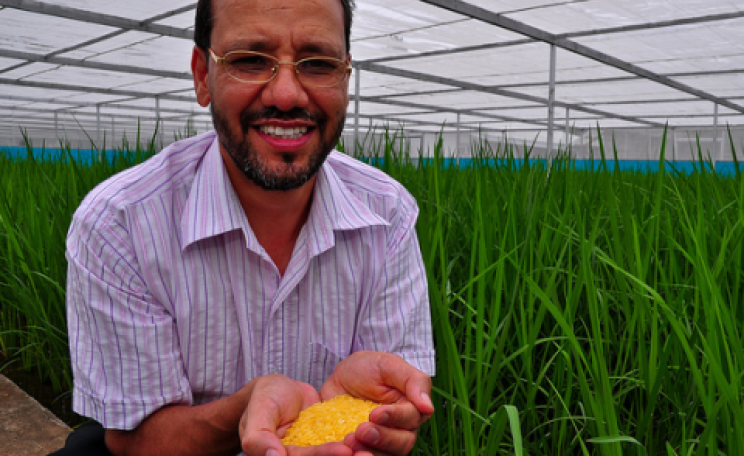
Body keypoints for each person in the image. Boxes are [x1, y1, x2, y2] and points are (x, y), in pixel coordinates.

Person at [60, 0, 435, 455]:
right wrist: (242, 410)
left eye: (318, 64)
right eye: (249, 61)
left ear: (346, 77)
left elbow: (392, 398)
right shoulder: (119, 224)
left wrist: (383, 403)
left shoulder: (388, 213)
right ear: (203, 76)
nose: (286, 95)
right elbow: (132, 437)